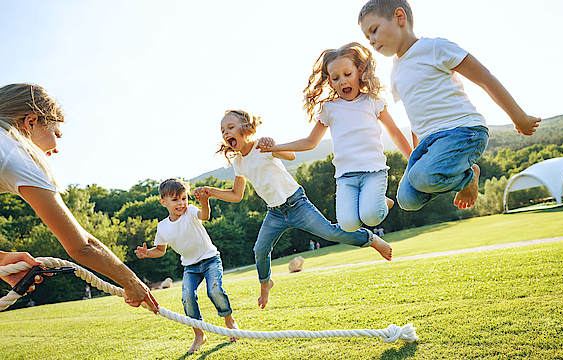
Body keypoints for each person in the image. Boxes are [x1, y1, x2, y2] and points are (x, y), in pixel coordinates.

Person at [196, 110, 392, 309]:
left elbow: (290, 156)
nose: (226, 133)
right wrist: (211, 192)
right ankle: (266, 284)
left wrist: (273, 146)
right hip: (275, 213)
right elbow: (237, 195)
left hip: (296, 203)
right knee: (260, 250)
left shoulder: (260, 147)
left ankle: (371, 239)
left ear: (246, 128)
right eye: (222, 131)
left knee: (331, 232)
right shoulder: (238, 162)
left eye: (230, 127)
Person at [358, 0, 541, 211]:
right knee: (407, 199)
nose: (371, 40)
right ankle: (465, 172)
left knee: (422, 178)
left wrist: (519, 117)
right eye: (367, 37)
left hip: (462, 131)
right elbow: (415, 118)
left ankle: (468, 177)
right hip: (429, 141)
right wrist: (420, 158)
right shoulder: (395, 72)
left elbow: (484, 78)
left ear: (399, 17)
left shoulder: (434, 47)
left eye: (374, 30)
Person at [0, 83, 158, 313]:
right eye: (56, 134)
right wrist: (132, 282)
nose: (56, 148)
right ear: (31, 122)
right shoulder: (16, 155)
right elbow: (82, 246)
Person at [257, 42, 412, 233]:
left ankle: (381, 202)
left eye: (348, 74)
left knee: (371, 217)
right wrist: (275, 148)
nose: (343, 81)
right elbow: (310, 142)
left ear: (359, 71)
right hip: (345, 177)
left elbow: (394, 132)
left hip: (374, 171)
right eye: (336, 78)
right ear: (330, 82)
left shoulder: (372, 101)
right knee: (348, 225)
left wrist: (413, 160)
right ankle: (376, 200)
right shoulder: (330, 109)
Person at [135, 178, 238, 354]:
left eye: (184, 198)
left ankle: (229, 321)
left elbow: (204, 216)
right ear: (163, 202)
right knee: (187, 297)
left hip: (210, 259)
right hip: (190, 267)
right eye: (175, 200)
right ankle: (199, 334)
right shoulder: (162, 227)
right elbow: (160, 250)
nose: (181, 203)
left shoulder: (190, 211)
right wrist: (147, 253)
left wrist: (205, 202)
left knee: (214, 290)